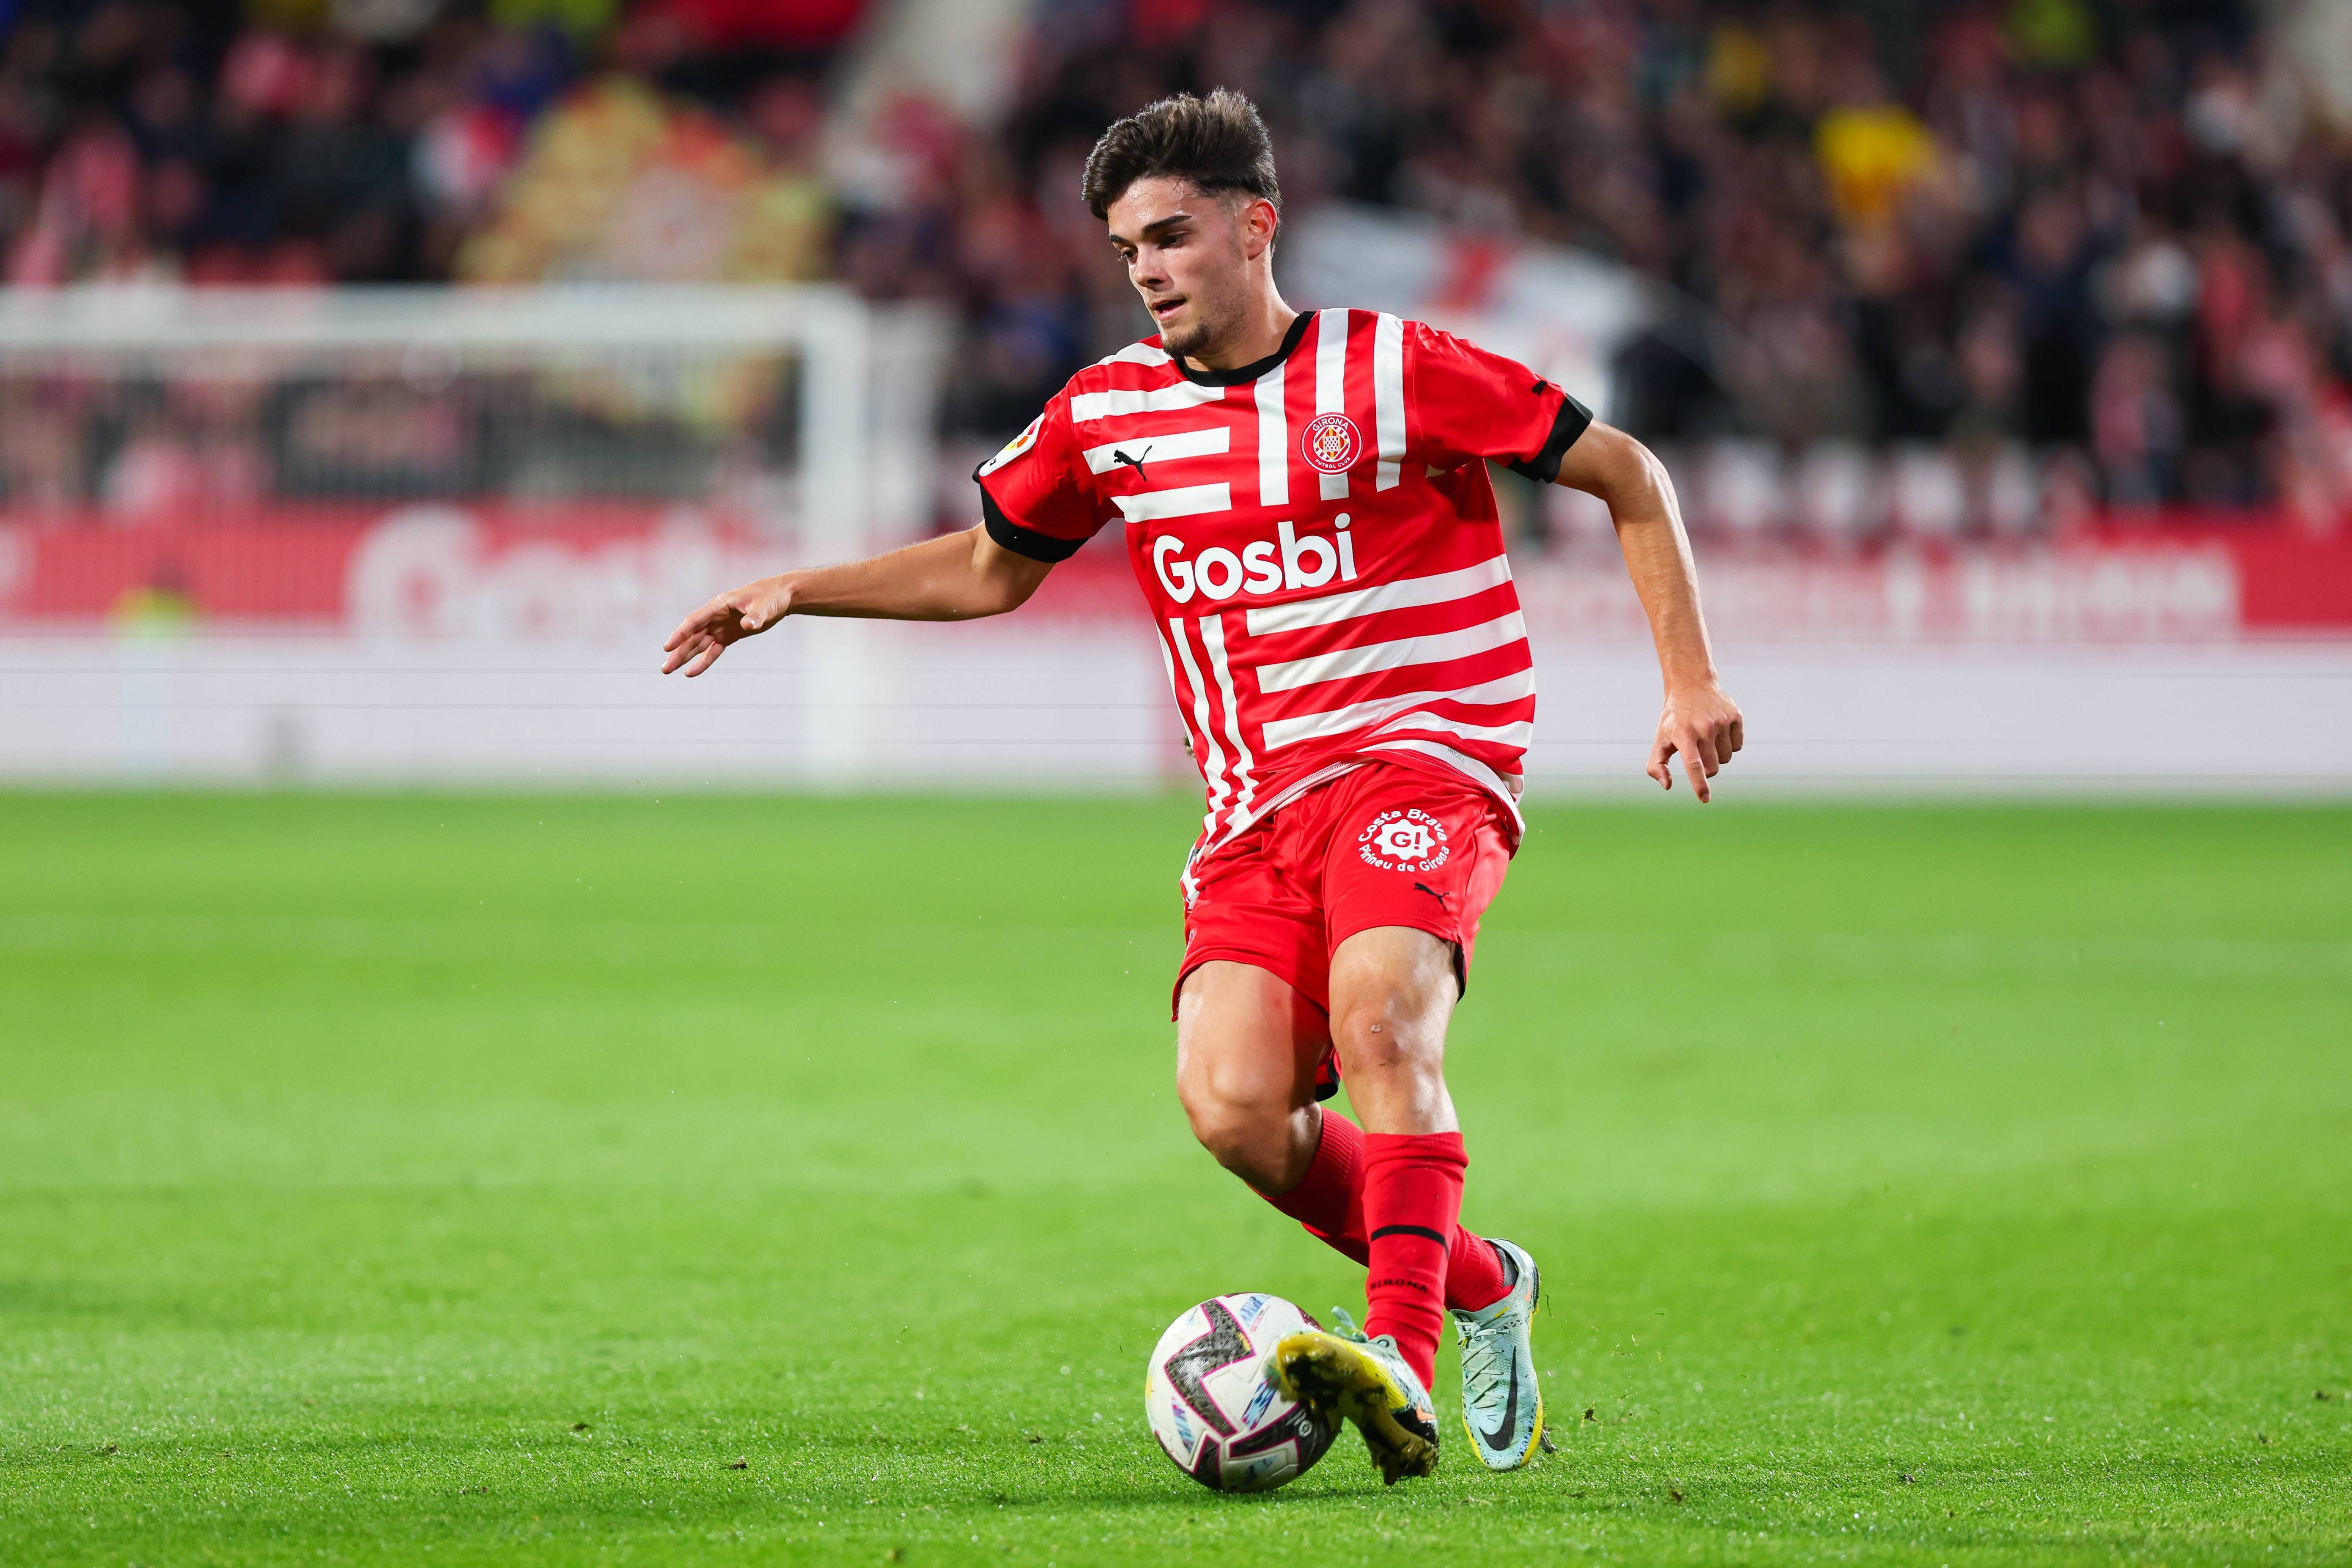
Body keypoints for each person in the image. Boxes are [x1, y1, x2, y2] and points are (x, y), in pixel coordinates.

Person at [661, 89, 1743, 1485]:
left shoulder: (1394, 371)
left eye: (1171, 236)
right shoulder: (1109, 415)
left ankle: (1400, 1357)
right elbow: (991, 567)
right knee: (1234, 1108)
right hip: (1253, 813)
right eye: (1128, 252)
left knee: (1381, 1029)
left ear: (1255, 225)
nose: (1151, 269)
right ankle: (1482, 1281)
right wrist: (797, 592)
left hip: (1425, 756)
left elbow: (1626, 471)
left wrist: (1689, 679)